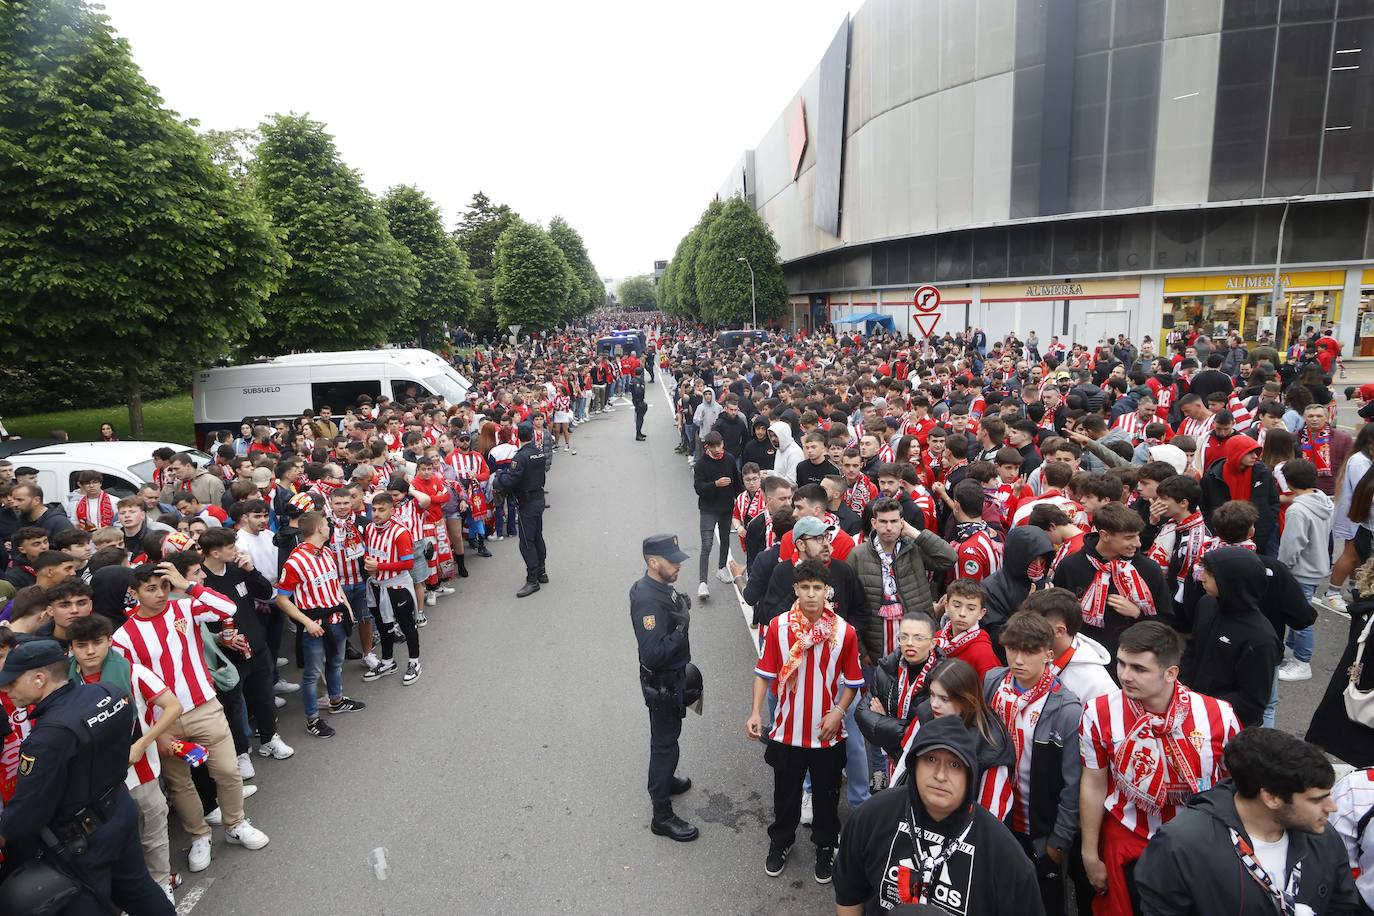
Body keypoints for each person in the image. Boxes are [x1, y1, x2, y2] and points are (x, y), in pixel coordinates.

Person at [0, 638, 175, 915]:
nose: (6, 688)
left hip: (83, 839)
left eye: (11, 682)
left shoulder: (47, 737)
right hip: (119, 809)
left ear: (39, 679)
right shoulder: (108, 692)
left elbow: (28, 810)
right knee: (138, 889)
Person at [1079, 621, 1241, 916]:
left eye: (1139, 669)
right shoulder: (1098, 713)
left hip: (1200, 845)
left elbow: (1235, 788)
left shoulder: (1219, 714)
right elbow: (1093, 782)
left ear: (1171, 673)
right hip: (1128, 838)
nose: (1125, 676)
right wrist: (1090, 853)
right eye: (1121, 664)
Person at [832, 714, 1045, 915]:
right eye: (931, 759)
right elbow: (849, 893)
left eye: (954, 764)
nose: (941, 776)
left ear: (970, 776)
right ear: (914, 765)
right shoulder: (872, 816)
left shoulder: (1004, 854)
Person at [1136, 727, 1360, 915]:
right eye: (1316, 800)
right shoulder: (1181, 845)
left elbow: (1342, 907)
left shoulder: (1323, 834)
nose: (1332, 807)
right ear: (1271, 797)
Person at [745, 559, 864, 884]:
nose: (812, 594)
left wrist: (838, 712)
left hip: (828, 733)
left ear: (828, 591)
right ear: (796, 589)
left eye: (818, 588)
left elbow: (853, 682)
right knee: (785, 795)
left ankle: (826, 846)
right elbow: (764, 673)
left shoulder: (844, 632)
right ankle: (780, 842)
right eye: (805, 587)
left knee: (827, 796)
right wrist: (756, 712)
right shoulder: (779, 627)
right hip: (786, 731)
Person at [66, 613, 183, 903]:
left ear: (109, 642)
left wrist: (144, 742)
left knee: (153, 831)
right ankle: (132, 891)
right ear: (71, 648)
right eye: (82, 645)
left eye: (97, 642)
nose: (90, 651)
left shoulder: (133, 672)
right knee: (112, 841)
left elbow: (172, 706)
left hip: (140, 772)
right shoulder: (63, 684)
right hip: (93, 782)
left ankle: (160, 882)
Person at [984, 611, 1083, 916]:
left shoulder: (1066, 707)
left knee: (1043, 901)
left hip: (1037, 827)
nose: (1018, 659)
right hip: (995, 815)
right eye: (1012, 648)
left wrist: (1059, 840)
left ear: (1048, 655)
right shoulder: (992, 682)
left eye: (1029, 651)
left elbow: (1073, 782)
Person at [630, 534, 698, 842]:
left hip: (674, 678)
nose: (679, 564)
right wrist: (681, 627)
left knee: (670, 738)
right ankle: (662, 813)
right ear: (653, 562)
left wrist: (678, 606)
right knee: (664, 745)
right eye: (672, 560)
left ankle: (667, 779)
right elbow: (653, 654)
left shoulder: (658, 588)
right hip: (663, 683)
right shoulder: (648, 599)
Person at [274, 511, 367, 738]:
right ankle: (312, 719)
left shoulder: (326, 552)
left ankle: (335, 700)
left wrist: (346, 607)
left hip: (337, 619)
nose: (329, 527)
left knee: (335, 664)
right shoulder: (295, 561)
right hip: (315, 625)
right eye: (326, 524)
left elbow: (334, 583)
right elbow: (282, 599)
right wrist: (306, 622)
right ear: (318, 529)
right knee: (312, 675)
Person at [1181, 547, 1282, 728]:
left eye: (1210, 574)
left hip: (1227, 725)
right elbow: (1192, 650)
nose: (1202, 577)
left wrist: (1202, 704)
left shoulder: (1261, 638)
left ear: (1232, 582)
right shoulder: (1206, 604)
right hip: (1192, 711)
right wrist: (1182, 686)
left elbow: (1253, 702)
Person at [848, 496, 957, 662]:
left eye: (894, 521)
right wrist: (862, 651)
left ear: (902, 523)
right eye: (883, 522)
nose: (889, 527)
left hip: (916, 634)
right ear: (874, 523)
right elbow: (851, 606)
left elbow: (949, 557)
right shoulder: (858, 555)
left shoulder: (914, 548)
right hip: (877, 640)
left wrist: (914, 533)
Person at [495, 422, 548, 598]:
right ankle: (541, 571)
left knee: (526, 540)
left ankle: (532, 578)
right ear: (532, 435)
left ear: (518, 436)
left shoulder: (521, 457)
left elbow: (510, 481)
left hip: (527, 502)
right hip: (538, 497)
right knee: (537, 535)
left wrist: (501, 474)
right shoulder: (538, 452)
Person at [691, 431, 741, 599]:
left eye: (720, 445)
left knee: (725, 539)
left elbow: (737, 483)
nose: (719, 449)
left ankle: (721, 568)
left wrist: (740, 504)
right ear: (708, 447)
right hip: (708, 509)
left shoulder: (730, 459)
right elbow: (698, 488)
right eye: (715, 447)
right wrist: (715, 484)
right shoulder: (701, 464)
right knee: (706, 545)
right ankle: (702, 583)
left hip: (726, 508)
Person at [629, 373, 648, 441]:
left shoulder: (632, 380)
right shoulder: (638, 381)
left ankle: (639, 432)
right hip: (638, 400)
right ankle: (638, 434)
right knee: (639, 418)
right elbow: (638, 391)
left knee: (640, 417)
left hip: (635, 399)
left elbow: (630, 389)